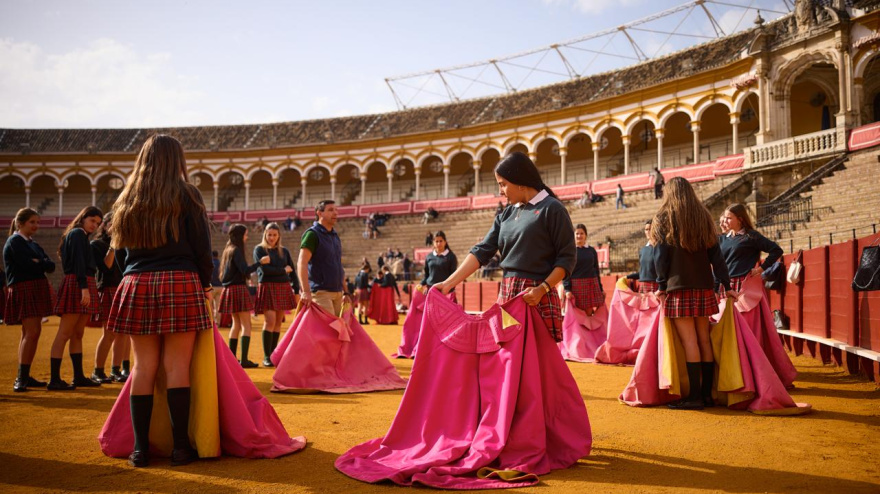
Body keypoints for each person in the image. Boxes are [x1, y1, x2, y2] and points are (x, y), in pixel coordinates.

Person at [107, 134, 214, 467]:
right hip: (180, 281)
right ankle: (180, 447)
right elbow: (202, 248)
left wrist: (136, 274)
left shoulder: (128, 198)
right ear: (177, 160)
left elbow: (121, 251)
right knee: (177, 367)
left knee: (142, 367)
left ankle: (140, 449)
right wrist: (206, 286)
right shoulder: (187, 195)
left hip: (136, 282)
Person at [436, 151, 576, 342]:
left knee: (534, 364)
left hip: (534, 296)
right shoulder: (506, 214)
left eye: (503, 184)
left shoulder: (553, 209)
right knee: (505, 361)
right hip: (508, 294)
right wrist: (448, 284)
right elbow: (481, 251)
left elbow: (566, 259)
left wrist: (542, 289)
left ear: (519, 181)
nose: (500, 191)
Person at [651, 177, 732, 410]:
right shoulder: (704, 217)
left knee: (689, 342)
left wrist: (661, 285)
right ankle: (707, 394)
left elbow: (660, 258)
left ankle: (694, 397)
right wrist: (724, 284)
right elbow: (717, 257)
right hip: (704, 286)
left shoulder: (663, 218)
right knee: (703, 338)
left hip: (679, 287)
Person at [718, 204, 796, 387]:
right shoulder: (721, 239)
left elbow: (776, 250)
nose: (725, 221)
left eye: (729, 218)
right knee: (728, 331)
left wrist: (761, 268)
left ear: (740, 219)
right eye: (724, 217)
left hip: (746, 289)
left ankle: (755, 374)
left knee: (748, 332)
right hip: (727, 289)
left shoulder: (751, 236)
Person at [49, 206, 104, 390]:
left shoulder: (79, 235)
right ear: (83, 218)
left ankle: (78, 376)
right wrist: (84, 288)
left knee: (78, 333)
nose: (94, 226)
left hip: (82, 282)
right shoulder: (78, 234)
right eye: (92, 221)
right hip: (79, 283)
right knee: (64, 333)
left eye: (97, 223)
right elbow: (79, 263)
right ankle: (54, 379)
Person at [4, 208, 55, 392]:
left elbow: (51, 265)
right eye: (32, 222)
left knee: (31, 332)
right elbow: (27, 265)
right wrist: (40, 263)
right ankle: (21, 377)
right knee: (31, 332)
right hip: (25, 287)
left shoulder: (31, 243)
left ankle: (24, 375)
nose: (36, 226)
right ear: (20, 223)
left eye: (37, 222)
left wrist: (38, 262)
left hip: (31, 287)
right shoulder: (15, 242)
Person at [219, 224, 270, 368]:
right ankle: (244, 360)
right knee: (246, 325)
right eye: (245, 234)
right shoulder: (236, 250)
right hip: (238, 289)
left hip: (229, 289)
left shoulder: (227, 250)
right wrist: (260, 263)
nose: (247, 237)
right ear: (240, 235)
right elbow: (245, 270)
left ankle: (232, 358)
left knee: (236, 324)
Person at [90, 212, 130, 384]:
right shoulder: (97, 244)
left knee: (122, 333)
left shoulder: (124, 245)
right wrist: (114, 245)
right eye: (112, 224)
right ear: (105, 226)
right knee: (109, 333)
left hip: (121, 288)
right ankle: (97, 370)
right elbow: (106, 266)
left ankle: (115, 369)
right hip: (107, 288)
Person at [254, 222, 299, 367]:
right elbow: (265, 271)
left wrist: (297, 290)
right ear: (265, 234)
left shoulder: (284, 251)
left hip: (283, 286)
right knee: (270, 321)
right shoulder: (259, 250)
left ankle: (274, 354)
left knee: (279, 322)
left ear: (279, 235)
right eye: (269, 234)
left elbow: (292, 269)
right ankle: (267, 356)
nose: (272, 237)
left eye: (274, 235)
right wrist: (283, 270)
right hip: (267, 286)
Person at [297, 200, 348, 315]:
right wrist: (305, 291)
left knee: (336, 331)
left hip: (338, 292)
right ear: (319, 213)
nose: (335, 213)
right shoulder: (312, 234)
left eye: (336, 210)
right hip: (321, 293)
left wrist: (346, 292)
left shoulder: (335, 236)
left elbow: (339, 265)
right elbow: (302, 263)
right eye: (330, 210)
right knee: (327, 330)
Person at [563, 224, 604, 316]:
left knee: (588, 313)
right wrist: (567, 289)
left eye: (582, 233)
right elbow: (565, 271)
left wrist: (601, 288)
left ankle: (588, 330)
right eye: (577, 233)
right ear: (573, 235)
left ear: (586, 235)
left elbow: (596, 270)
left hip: (590, 283)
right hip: (575, 285)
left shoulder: (591, 250)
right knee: (576, 313)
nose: (579, 236)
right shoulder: (570, 251)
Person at [625, 219, 658, 293]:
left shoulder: (661, 248)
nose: (648, 232)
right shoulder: (642, 250)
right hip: (643, 287)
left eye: (650, 229)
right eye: (646, 229)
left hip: (656, 287)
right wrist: (627, 277)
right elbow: (642, 272)